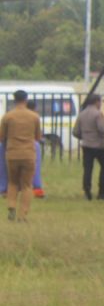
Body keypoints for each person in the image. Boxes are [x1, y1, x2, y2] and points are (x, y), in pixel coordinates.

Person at [2, 90, 43, 222]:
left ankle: (11, 207)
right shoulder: (34, 116)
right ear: (26, 100)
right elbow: (38, 137)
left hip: (12, 153)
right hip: (28, 154)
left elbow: (1, 137)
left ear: (14, 100)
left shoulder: (8, 116)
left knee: (12, 182)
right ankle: (22, 215)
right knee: (26, 185)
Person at [73, 93, 104, 200]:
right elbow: (102, 129)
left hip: (86, 145)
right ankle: (102, 191)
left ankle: (87, 191)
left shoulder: (82, 114)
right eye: (100, 102)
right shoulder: (97, 114)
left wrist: (85, 137)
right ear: (97, 101)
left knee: (88, 169)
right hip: (99, 146)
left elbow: (75, 131)